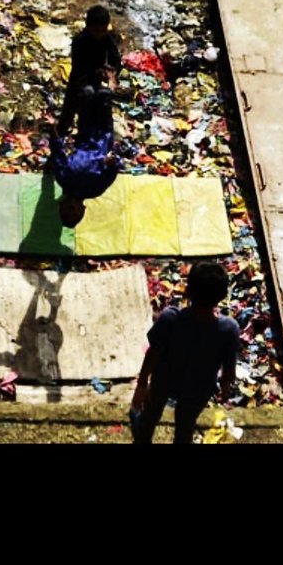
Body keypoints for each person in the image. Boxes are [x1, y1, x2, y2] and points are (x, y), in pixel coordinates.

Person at [129, 261, 240, 446]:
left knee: (150, 414)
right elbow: (229, 369)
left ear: (187, 291)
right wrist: (226, 388)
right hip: (199, 387)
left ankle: (143, 437)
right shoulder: (229, 329)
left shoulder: (170, 318)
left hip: (164, 380)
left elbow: (153, 353)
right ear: (222, 296)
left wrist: (142, 385)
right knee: (185, 425)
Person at [46, 69, 120, 228]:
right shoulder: (95, 189)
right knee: (103, 96)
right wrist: (111, 161)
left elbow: (58, 151)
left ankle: (92, 69)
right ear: (82, 210)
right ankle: (111, 80)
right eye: (75, 214)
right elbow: (113, 170)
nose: (71, 209)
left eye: (67, 211)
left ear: (61, 205)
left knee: (87, 93)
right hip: (103, 134)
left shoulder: (63, 179)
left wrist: (52, 127)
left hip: (85, 132)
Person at [56, 4, 122, 136]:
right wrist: (97, 72)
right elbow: (79, 65)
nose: (99, 34)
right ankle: (60, 134)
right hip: (79, 78)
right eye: (96, 31)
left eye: (103, 30)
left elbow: (115, 58)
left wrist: (113, 73)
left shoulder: (107, 38)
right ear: (88, 26)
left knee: (90, 110)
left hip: (96, 78)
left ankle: (85, 136)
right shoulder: (80, 41)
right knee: (70, 109)